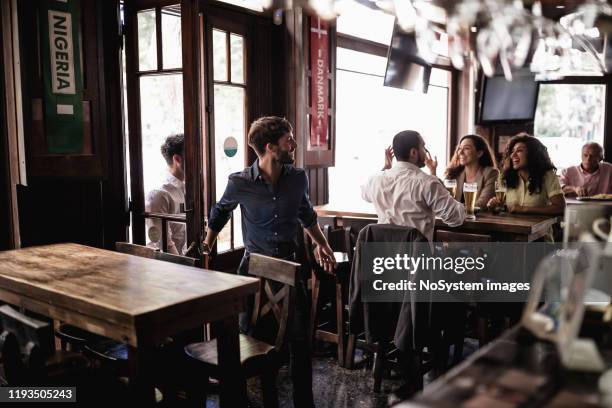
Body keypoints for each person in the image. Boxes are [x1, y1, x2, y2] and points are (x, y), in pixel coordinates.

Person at [203, 116, 335, 408]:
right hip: (253, 273)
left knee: (300, 344)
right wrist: (207, 247)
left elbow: (306, 214)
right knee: (248, 340)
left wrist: (322, 245)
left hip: (291, 270)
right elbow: (220, 212)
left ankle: (305, 403)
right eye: (288, 139)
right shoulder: (239, 182)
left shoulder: (298, 177)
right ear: (270, 146)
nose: (294, 144)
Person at [364, 130, 466, 242]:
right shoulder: (427, 183)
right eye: (423, 147)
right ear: (413, 152)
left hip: (382, 257)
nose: (426, 152)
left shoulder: (375, 179)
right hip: (416, 257)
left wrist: (386, 167)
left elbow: (365, 195)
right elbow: (456, 218)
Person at [487, 134, 565, 216]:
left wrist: (524, 209)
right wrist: (494, 206)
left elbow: (560, 208)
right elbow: (502, 207)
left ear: (533, 154)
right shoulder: (504, 177)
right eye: (512, 151)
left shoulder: (547, 175)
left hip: (539, 228)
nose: (513, 155)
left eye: (519, 151)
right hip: (511, 227)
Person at [431, 134, 499, 208]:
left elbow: (482, 204)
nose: (460, 152)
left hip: (478, 219)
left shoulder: (491, 173)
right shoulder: (454, 174)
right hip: (454, 218)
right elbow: (441, 199)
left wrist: (452, 208)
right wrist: (433, 171)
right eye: (459, 148)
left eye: (466, 148)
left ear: (479, 153)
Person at [145, 133, 186, 255]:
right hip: (167, 266)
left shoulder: (187, 186)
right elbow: (163, 243)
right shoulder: (159, 193)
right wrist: (184, 268)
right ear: (177, 159)